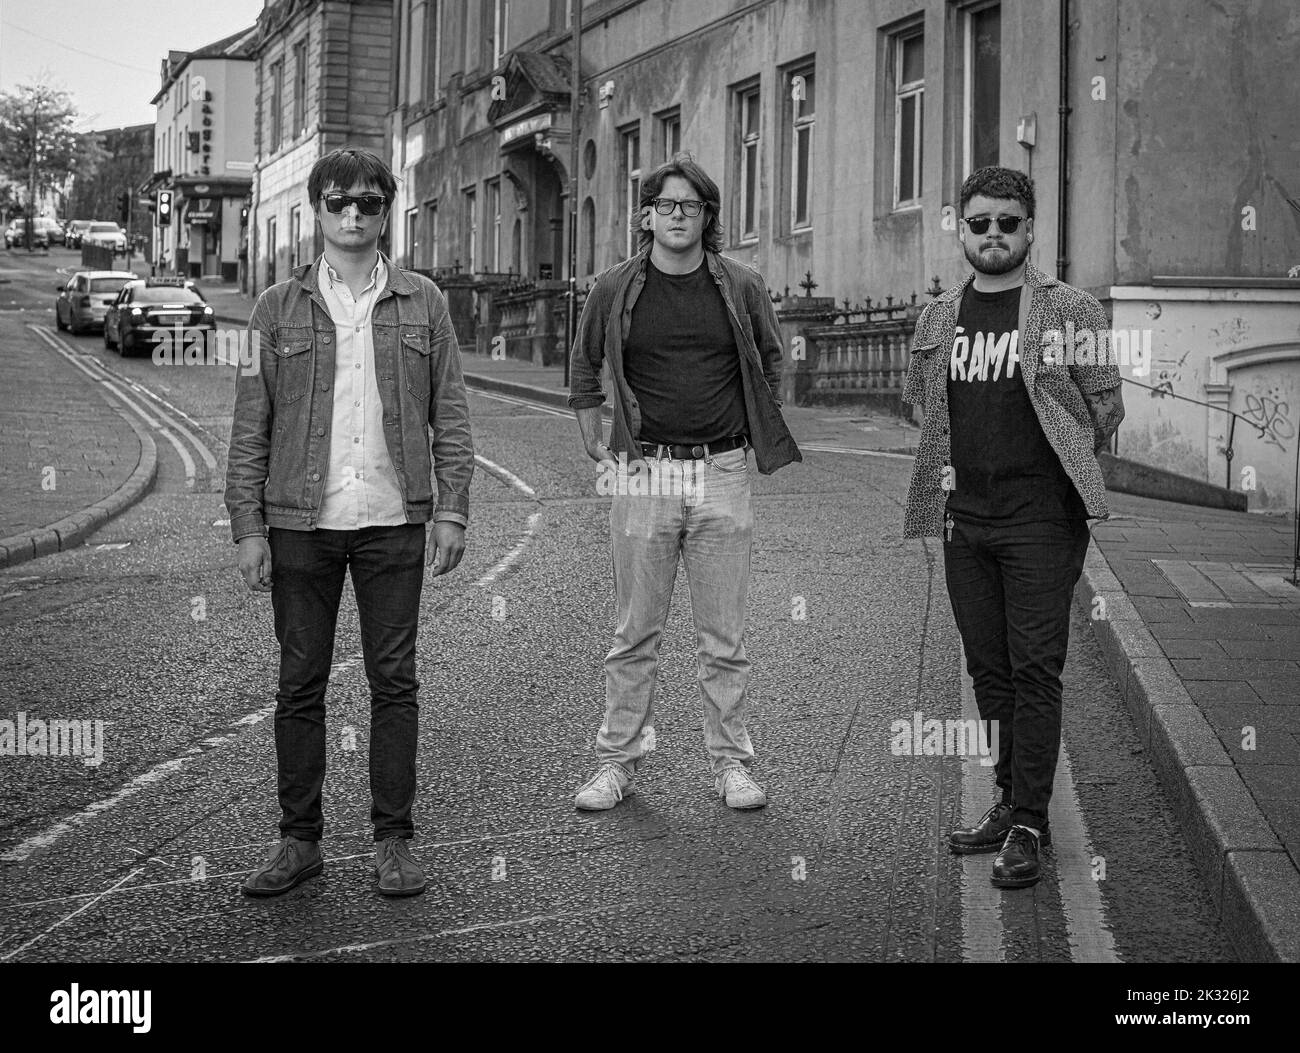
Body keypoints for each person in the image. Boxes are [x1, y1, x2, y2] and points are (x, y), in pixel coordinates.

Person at [225, 147, 473, 897]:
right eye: (340, 203)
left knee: (393, 682)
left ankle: (393, 841)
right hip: (301, 523)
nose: (354, 215)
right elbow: (250, 427)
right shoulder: (275, 308)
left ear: (385, 210)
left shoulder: (424, 300)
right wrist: (247, 526)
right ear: (319, 211)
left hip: (394, 520)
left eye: (369, 202)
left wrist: (452, 509)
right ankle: (299, 842)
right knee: (299, 683)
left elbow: (451, 415)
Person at [903, 166, 1125, 889]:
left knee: (1036, 667)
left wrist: (1061, 466)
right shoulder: (937, 317)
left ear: (1030, 230)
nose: (992, 234)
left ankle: (1030, 821)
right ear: (961, 228)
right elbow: (922, 408)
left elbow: (1105, 406)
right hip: (965, 520)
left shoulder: (1071, 309)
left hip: (1041, 521)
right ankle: (1007, 798)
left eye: (1007, 222)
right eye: (979, 222)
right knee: (988, 669)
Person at [567, 154, 801, 812]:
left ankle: (732, 764)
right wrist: (594, 440)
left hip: (722, 469)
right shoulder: (614, 287)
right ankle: (616, 763)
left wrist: (757, 418)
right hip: (643, 469)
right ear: (646, 216)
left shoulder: (741, 284)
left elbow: (771, 355)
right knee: (634, 632)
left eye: (690, 206)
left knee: (723, 637)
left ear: (707, 217)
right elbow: (584, 365)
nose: (677, 216)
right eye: (666, 205)